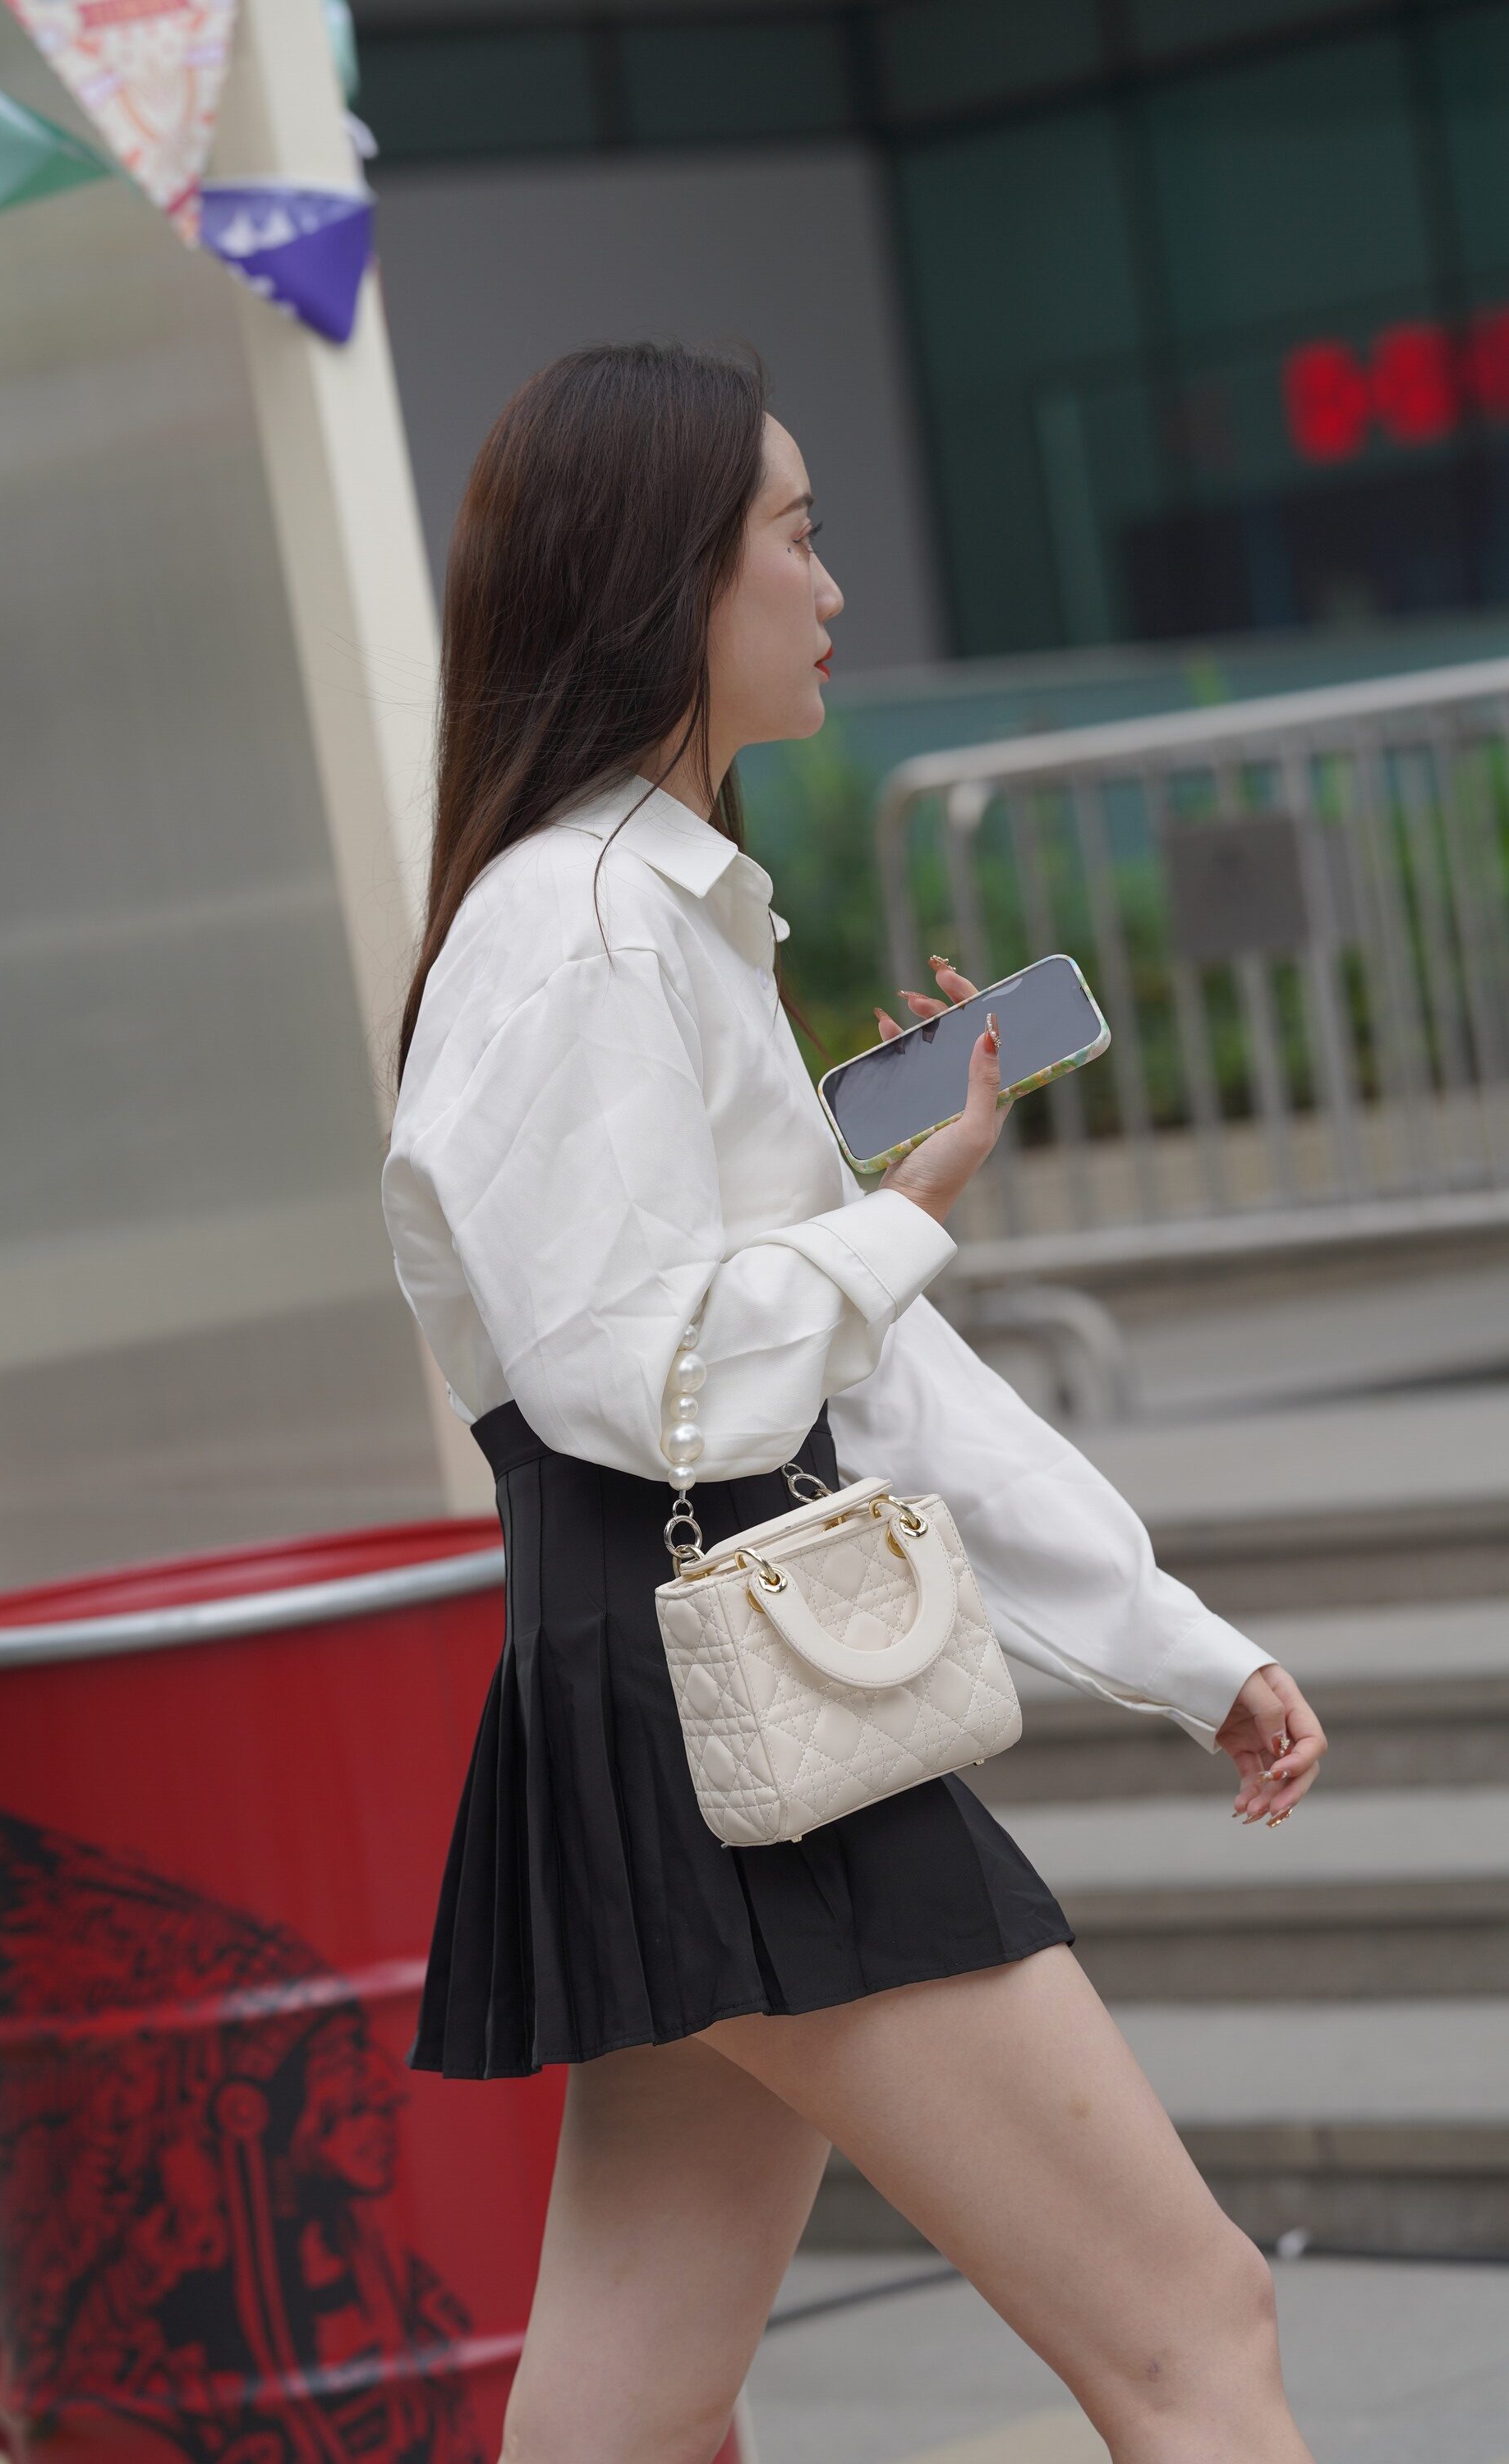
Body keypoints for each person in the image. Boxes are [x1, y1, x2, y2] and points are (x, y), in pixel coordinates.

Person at [380, 341, 1327, 2464]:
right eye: (793, 538)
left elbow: (857, 1387)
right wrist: (900, 1214)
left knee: (628, 2417)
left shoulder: (630, 917)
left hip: (684, 1681)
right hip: (745, 1695)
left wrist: (1174, 1643)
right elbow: (657, 1380)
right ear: (664, 579)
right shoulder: (590, 930)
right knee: (1194, 2332)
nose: (829, 586)